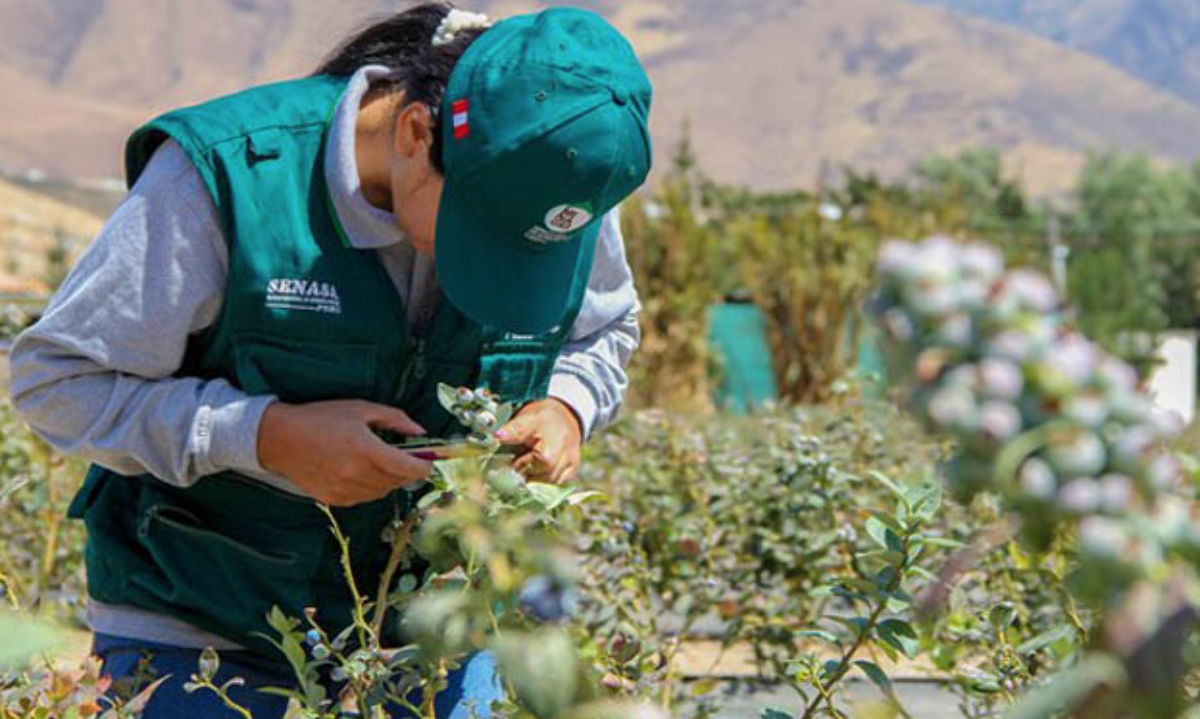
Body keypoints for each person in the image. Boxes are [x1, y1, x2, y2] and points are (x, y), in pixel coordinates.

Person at [7, 3, 652, 717]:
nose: (503, 264)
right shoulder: (229, 177)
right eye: (480, 234)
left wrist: (568, 406)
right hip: (208, 629)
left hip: (441, 635)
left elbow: (604, 328)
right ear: (415, 133)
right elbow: (60, 380)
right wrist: (262, 435)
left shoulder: (556, 187)